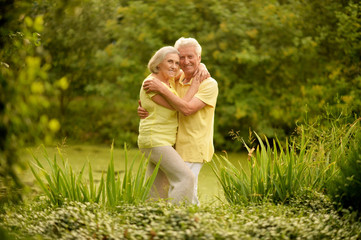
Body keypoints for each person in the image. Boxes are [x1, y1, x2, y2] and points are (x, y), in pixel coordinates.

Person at [139, 37, 219, 205]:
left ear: (199, 58)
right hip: (168, 143)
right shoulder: (176, 78)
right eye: (181, 57)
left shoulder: (208, 84)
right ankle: (152, 221)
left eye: (191, 57)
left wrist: (201, 68)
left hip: (192, 146)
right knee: (159, 188)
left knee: (186, 187)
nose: (185, 61)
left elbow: (187, 109)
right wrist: (146, 107)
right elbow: (156, 93)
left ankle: (180, 223)